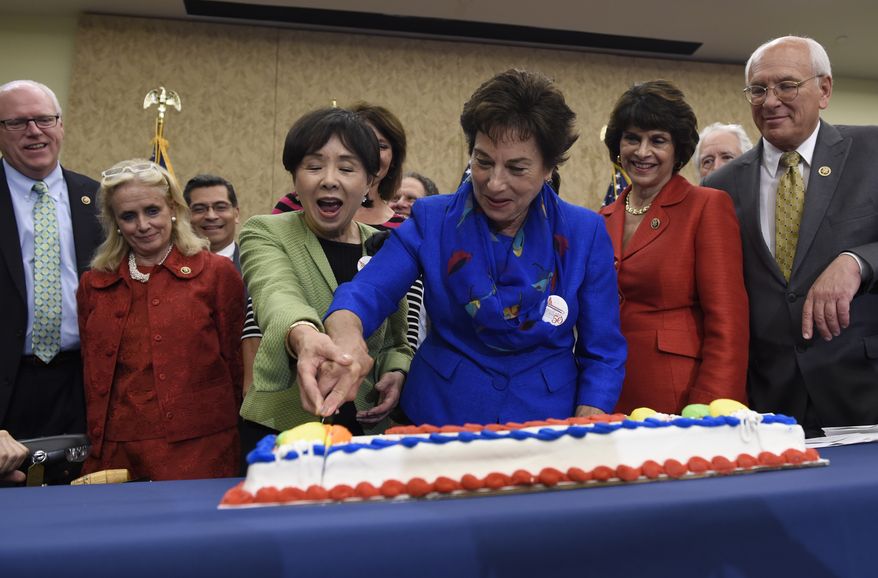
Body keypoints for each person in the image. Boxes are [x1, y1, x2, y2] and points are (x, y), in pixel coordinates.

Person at [301, 69, 626, 426]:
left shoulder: (585, 232)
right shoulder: (433, 219)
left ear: (549, 168)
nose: (494, 183)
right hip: (438, 414)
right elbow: (368, 292)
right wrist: (346, 337)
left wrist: (588, 419)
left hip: (546, 422)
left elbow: (603, 352)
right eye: (483, 161)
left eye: (517, 168)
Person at [704, 36, 878, 433]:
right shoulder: (719, 188)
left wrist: (858, 262)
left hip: (864, 391)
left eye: (786, 85)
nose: (770, 101)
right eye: (758, 89)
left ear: (825, 90)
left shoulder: (872, 150)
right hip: (771, 405)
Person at [238, 108, 411, 455]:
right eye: (314, 166)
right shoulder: (265, 231)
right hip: (281, 431)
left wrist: (396, 372)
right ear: (295, 177)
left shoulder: (385, 246)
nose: (329, 179)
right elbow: (276, 295)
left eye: (347, 168)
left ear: (369, 181)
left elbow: (396, 340)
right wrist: (304, 337)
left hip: (364, 432)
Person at [77, 160, 244, 480]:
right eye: (128, 216)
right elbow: (91, 372)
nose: (142, 225)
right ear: (115, 221)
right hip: (115, 452)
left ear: (172, 208)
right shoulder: (95, 283)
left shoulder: (215, 274)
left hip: (201, 451)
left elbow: (235, 364)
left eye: (152, 211)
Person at [600, 80, 749, 415]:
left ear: (678, 148)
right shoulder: (601, 219)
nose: (642, 152)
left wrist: (710, 405)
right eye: (632, 138)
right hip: (610, 395)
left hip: (681, 395)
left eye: (657, 140)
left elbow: (728, 323)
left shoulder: (706, 206)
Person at [0, 80, 102, 445]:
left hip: (84, 384)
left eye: (44, 119)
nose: (33, 131)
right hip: (9, 388)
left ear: (60, 125)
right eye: (16, 122)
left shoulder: (100, 200)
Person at [272, 102, 407, 230]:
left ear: (394, 158)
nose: (371, 154)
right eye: (315, 166)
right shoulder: (292, 206)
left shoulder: (402, 229)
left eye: (381, 146)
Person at [184, 174, 260, 396]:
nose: (211, 216)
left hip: (245, 396)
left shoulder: (258, 269)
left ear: (236, 213)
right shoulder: (169, 272)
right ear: (186, 216)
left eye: (220, 207)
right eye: (199, 209)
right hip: (188, 394)